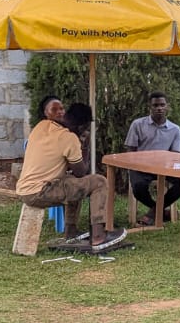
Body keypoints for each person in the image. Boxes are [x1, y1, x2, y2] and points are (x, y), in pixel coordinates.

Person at [16, 97, 126, 252]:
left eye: (62, 109)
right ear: (82, 127)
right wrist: (84, 146)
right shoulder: (68, 138)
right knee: (99, 182)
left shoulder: (40, 127)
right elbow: (81, 172)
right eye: (55, 109)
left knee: (72, 182)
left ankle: (71, 232)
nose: (60, 112)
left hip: (24, 189)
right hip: (40, 192)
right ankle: (99, 236)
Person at [124, 91, 180, 224]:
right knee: (138, 187)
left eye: (162, 105)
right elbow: (130, 150)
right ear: (149, 107)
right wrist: (134, 166)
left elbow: (176, 155)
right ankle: (160, 211)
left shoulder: (175, 129)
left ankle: (154, 212)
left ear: (167, 106)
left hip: (164, 168)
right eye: (155, 105)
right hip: (140, 167)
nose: (159, 108)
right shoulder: (138, 124)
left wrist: (168, 166)